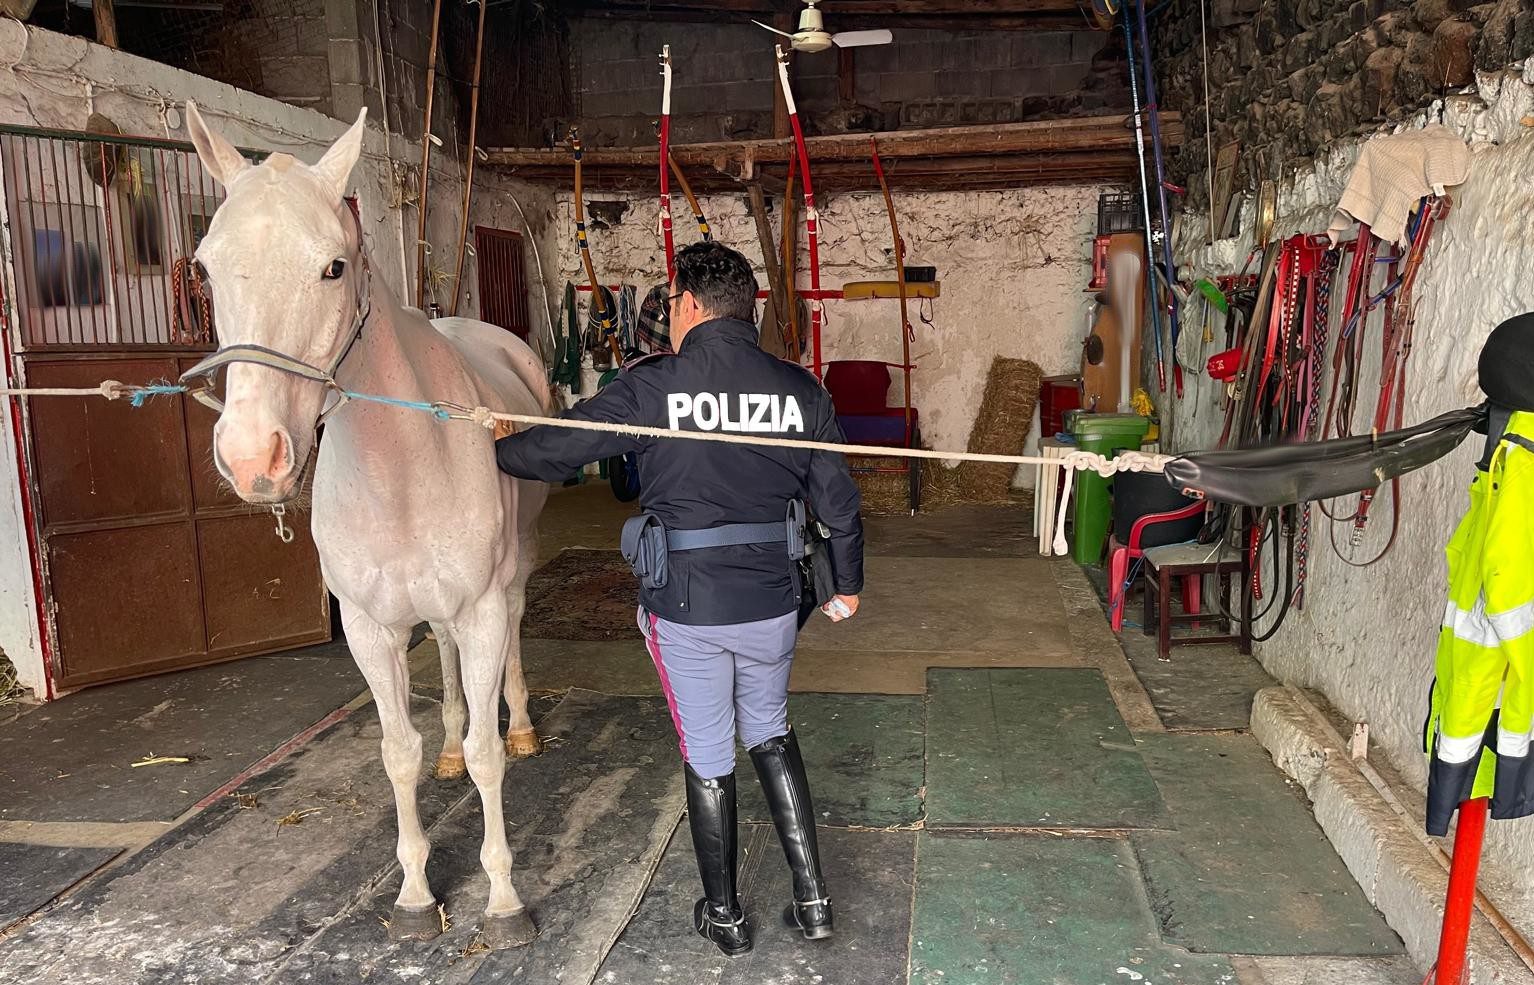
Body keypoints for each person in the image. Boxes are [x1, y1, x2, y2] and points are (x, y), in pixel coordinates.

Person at [494, 241, 864, 956]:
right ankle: (813, 902)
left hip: (687, 609)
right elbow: (839, 504)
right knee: (770, 730)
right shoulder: (800, 391)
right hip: (774, 602)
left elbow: (560, 448)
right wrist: (846, 584)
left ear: (689, 304)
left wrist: (497, 447)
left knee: (708, 752)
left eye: (670, 302)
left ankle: (725, 916)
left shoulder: (652, 385)